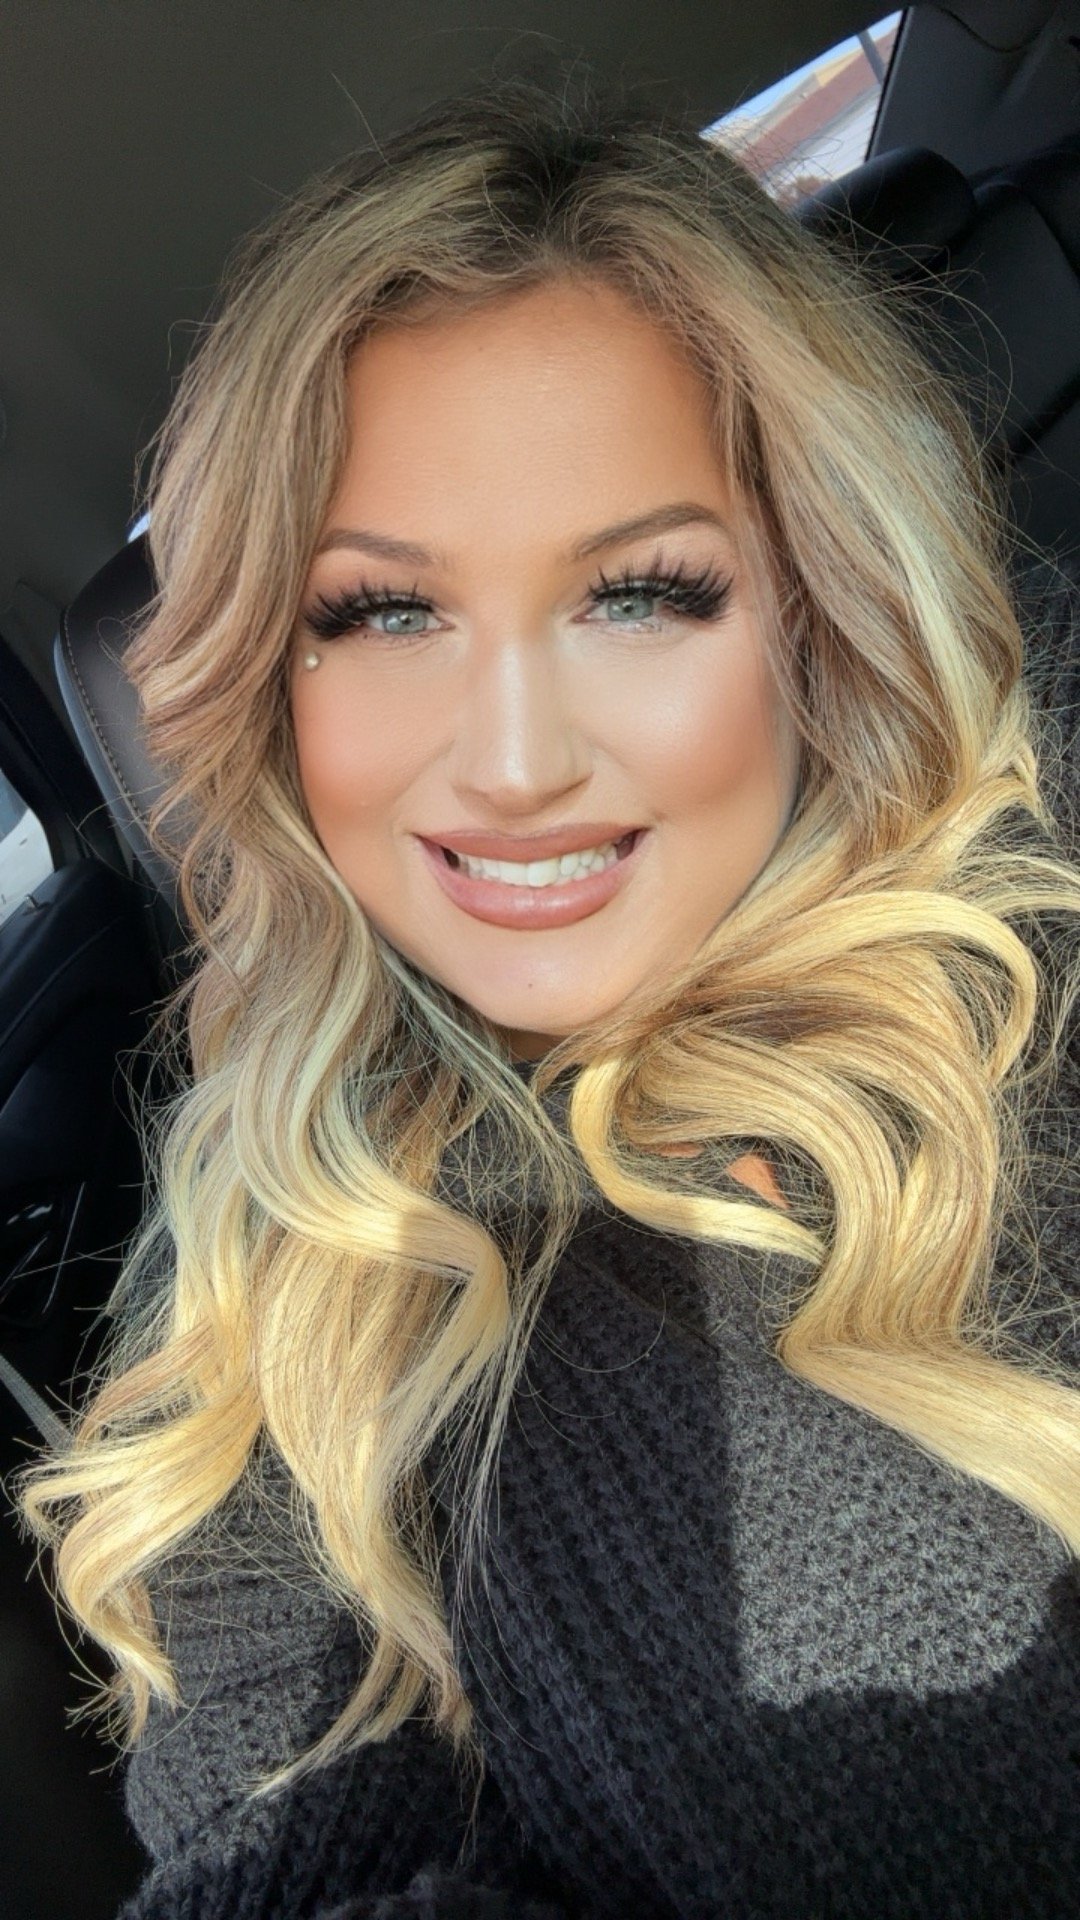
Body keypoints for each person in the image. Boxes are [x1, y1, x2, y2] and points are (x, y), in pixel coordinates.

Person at [10, 74, 1080, 1919]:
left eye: (642, 594)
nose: (513, 764)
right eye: (381, 613)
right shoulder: (279, 1312)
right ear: (270, 681)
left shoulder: (1032, 946)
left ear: (817, 611)